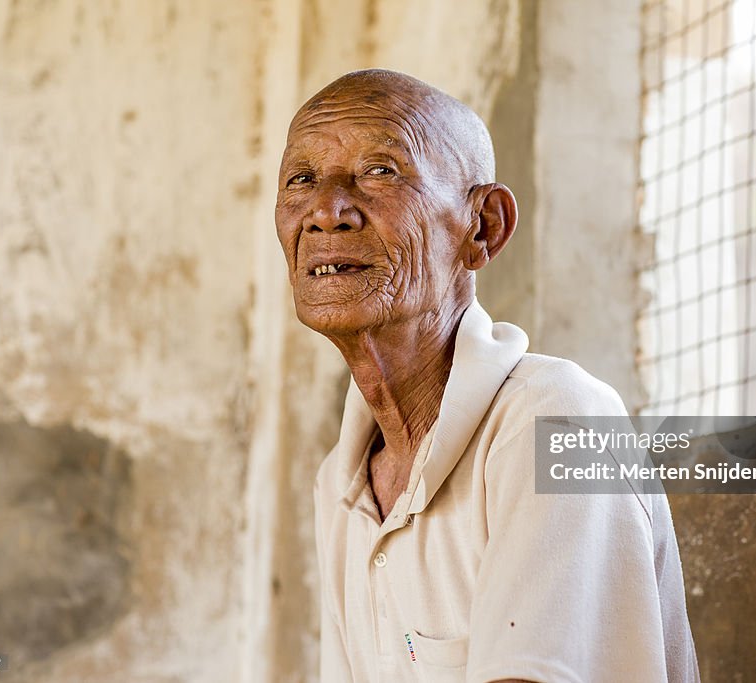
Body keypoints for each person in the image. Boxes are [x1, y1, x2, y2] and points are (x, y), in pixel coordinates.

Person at [275, 68, 699, 682]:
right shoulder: (340, 485)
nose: (325, 211)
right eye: (302, 179)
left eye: (380, 171)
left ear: (483, 227)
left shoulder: (556, 419)